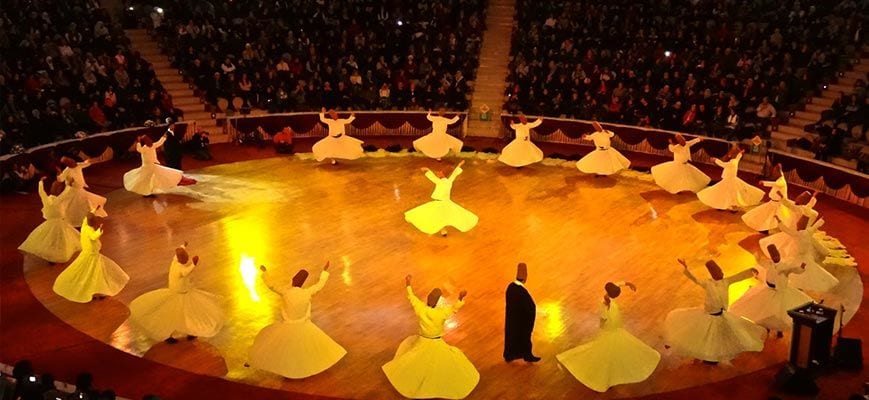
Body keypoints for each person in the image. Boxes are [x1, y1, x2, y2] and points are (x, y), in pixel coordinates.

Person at [382, 275, 478, 399]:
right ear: (438, 302)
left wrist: (408, 284)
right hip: (436, 343)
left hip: (422, 341)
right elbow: (454, 308)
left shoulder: (421, 309)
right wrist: (460, 297)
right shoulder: (441, 313)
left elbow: (412, 298)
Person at [557, 281, 660, 392]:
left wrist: (601, 327)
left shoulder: (604, 303)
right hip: (615, 326)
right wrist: (628, 283)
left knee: (605, 349)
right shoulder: (611, 301)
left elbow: (603, 318)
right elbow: (617, 285)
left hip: (608, 328)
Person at [249, 262, 346, 379]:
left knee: (286, 349)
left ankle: (288, 368)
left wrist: (265, 272)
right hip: (303, 326)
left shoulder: (286, 292)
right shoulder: (307, 293)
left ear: (293, 281)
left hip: (288, 326)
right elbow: (319, 285)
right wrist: (324, 272)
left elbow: (271, 286)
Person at [664, 259, 766, 363]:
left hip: (721, 315)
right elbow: (695, 280)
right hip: (710, 316)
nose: (721, 274)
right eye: (718, 273)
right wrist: (686, 269)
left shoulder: (726, 281)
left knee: (718, 337)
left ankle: (714, 355)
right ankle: (709, 356)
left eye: (721, 272)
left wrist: (750, 271)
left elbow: (738, 277)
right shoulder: (708, 283)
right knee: (708, 338)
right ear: (713, 275)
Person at [128, 243, 225, 343]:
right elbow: (186, 272)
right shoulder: (181, 269)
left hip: (177, 291)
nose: (186, 260)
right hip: (181, 293)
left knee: (179, 314)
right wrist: (193, 264)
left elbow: (177, 253)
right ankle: (180, 333)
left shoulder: (174, 261)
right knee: (185, 314)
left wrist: (183, 246)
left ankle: (182, 332)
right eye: (185, 258)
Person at [730, 244, 812, 336]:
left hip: (780, 292)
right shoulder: (770, 264)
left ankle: (779, 330)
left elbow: (794, 269)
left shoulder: (784, 267)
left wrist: (801, 268)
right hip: (768, 289)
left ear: (779, 255)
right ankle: (767, 327)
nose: (775, 257)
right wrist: (756, 260)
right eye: (773, 255)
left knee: (779, 313)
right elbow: (762, 264)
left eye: (776, 254)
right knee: (764, 310)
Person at [53, 207, 129, 303]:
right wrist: (100, 230)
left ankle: (97, 291)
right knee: (96, 273)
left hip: (86, 254)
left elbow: (86, 218)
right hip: (92, 256)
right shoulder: (90, 231)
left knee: (91, 273)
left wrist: (94, 210)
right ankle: (98, 291)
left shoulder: (84, 226)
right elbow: (94, 236)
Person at [404, 160, 479, 236]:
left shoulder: (443, 181)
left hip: (442, 203)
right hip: (442, 202)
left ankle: (443, 230)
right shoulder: (446, 181)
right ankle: (443, 231)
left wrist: (427, 169)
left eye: (440, 172)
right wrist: (459, 165)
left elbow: (449, 174)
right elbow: (453, 174)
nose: (439, 173)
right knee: (440, 217)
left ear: (443, 174)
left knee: (438, 216)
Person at [18, 177, 81, 263]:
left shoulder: (47, 199)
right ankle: (58, 253)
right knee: (61, 239)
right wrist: (69, 183)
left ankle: (52, 255)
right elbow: (67, 192)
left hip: (51, 224)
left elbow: (41, 192)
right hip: (59, 224)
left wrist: (40, 182)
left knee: (51, 240)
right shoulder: (60, 199)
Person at [775, 216, 839, 293]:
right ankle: (800, 286)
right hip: (807, 255)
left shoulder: (797, 234)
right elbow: (815, 226)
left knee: (799, 270)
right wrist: (821, 220)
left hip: (800, 255)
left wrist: (778, 220)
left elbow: (785, 229)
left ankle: (799, 286)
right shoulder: (808, 232)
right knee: (807, 270)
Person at [697, 146, 765, 210]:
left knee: (725, 193)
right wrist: (741, 153)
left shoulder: (731, 163)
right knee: (729, 193)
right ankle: (728, 205)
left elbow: (722, 164)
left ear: (731, 155)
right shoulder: (736, 160)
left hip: (729, 180)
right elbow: (739, 156)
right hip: (730, 180)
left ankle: (729, 205)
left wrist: (715, 160)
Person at [504, 262, 540, 362]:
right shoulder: (522, 292)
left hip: (512, 321)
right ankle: (527, 355)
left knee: (511, 337)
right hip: (521, 322)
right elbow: (529, 307)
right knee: (524, 338)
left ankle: (509, 355)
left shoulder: (510, 287)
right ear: (525, 277)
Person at [57, 156, 107, 226]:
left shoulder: (78, 165)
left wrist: (97, 160)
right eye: (70, 161)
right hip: (74, 190)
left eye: (72, 160)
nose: (72, 161)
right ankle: (84, 220)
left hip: (80, 189)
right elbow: (60, 179)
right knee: (79, 205)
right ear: (68, 164)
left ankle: (88, 218)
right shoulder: (67, 170)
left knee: (85, 203)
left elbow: (87, 163)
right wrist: (59, 172)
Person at [741, 164, 790, 232]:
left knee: (772, 217)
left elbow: (775, 184)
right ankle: (765, 229)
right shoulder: (780, 177)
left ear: (778, 172)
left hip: (777, 204)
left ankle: (784, 230)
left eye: (774, 171)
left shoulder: (781, 181)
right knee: (767, 216)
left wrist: (764, 182)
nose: (773, 173)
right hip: (773, 203)